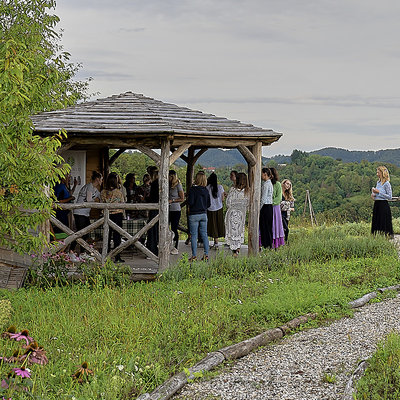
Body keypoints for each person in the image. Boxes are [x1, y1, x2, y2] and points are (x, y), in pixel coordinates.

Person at [70, 171, 103, 253]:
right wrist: (98, 203)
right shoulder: (89, 187)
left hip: (85, 214)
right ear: (97, 179)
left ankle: (82, 252)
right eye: (101, 179)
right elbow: (88, 200)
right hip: (79, 213)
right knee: (80, 233)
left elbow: (101, 196)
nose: (102, 181)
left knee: (86, 233)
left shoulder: (95, 189)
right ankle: (71, 250)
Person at [101, 174, 125, 263]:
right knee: (117, 236)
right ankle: (117, 256)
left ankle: (106, 255)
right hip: (117, 214)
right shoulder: (118, 192)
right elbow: (123, 202)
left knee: (107, 235)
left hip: (107, 215)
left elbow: (102, 202)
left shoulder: (103, 192)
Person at [187, 171, 210, 262]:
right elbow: (209, 204)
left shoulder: (193, 189)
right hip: (204, 214)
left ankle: (194, 256)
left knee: (194, 236)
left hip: (194, 214)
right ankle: (206, 254)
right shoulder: (206, 190)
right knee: (204, 235)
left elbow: (191, 202)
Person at [225, 172, 249, 256]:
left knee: (232, 232)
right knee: (239, 231)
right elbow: (248, 204)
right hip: (241, 214)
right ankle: (238, 249)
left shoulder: (233, 190)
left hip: (232, 214)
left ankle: (234, 251)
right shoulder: (247, 192)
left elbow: (228, 203)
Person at [371, 165, 393, 236]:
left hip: (383, 205)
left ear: (382, 173)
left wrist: (379, 192)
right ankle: (376, 237)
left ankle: (386, 237)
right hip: (377, 204)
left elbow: (389, 197)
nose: (377, 174)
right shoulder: (378, 183)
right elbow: (377, 194)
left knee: (383, 221)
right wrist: (374, 195)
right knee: (376, 221)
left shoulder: (387, 184)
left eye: (378, 173)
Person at [206, 172, 225, 249]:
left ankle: (215, 242)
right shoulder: (220, 187)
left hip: (210, 208)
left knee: (212, 225)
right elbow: (223, 199)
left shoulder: (207, 188)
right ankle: (216, 243)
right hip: (219, 208)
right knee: (218, 224)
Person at [168, 170, 185, 255]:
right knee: (166, 228)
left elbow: (182, 198)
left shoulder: (178, 185)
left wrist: (172, 200)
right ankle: (167, 245)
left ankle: (175, 247)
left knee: (174, 228)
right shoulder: (168, 184)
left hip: (175, 209)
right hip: (167, 209)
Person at [270, 167, 285, 249]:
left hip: (274, 208)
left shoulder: (277, 184)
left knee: (274, 225)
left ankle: (275, 244)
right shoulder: (266, 183)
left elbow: (278, 198)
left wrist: (269, 203)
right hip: (267, 207)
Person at [146, 168, 159, 256]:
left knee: (152, 230)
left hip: (154, 208)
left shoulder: (155, 183)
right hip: (158, 209)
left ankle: (152, 249)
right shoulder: (160, 183)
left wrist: (145, 198)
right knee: (155, 229)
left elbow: (152, 197)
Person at [259, 167, 273, 249]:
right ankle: (269, 244)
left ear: (265, 174)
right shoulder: (270, 183)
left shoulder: (266, 185)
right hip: (269, 206)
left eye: (261, 174)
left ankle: (266, 245)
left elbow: (263, 199)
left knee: (264, 227)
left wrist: (259, 208)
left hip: (265, 207)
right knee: (269, 227)